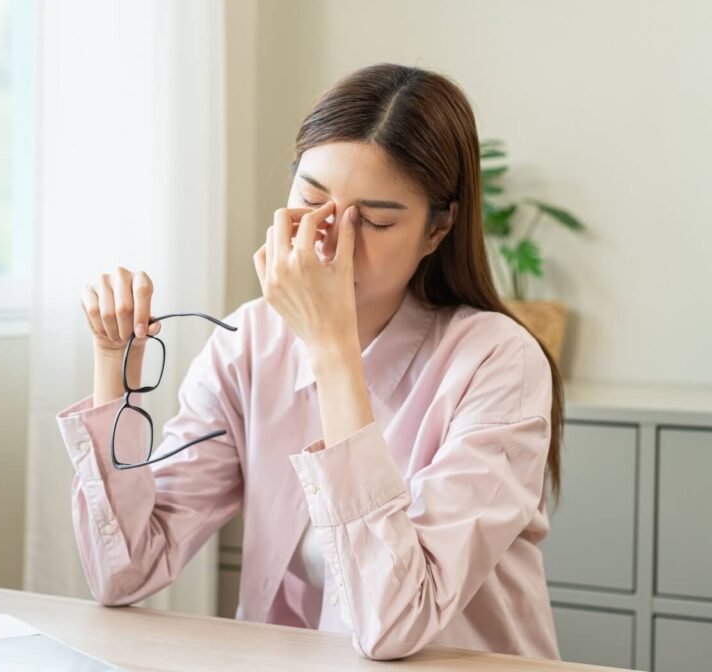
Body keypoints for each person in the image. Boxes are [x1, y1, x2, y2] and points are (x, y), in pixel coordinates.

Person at [56, 63, 563, 661]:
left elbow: (393, 622)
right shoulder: (250, 341)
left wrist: (331, 348)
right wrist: (115, 367)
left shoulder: (499, 363)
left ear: (437, 229)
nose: (329, 240)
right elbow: (126, 572)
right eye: (310, 199)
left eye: (374, 221)